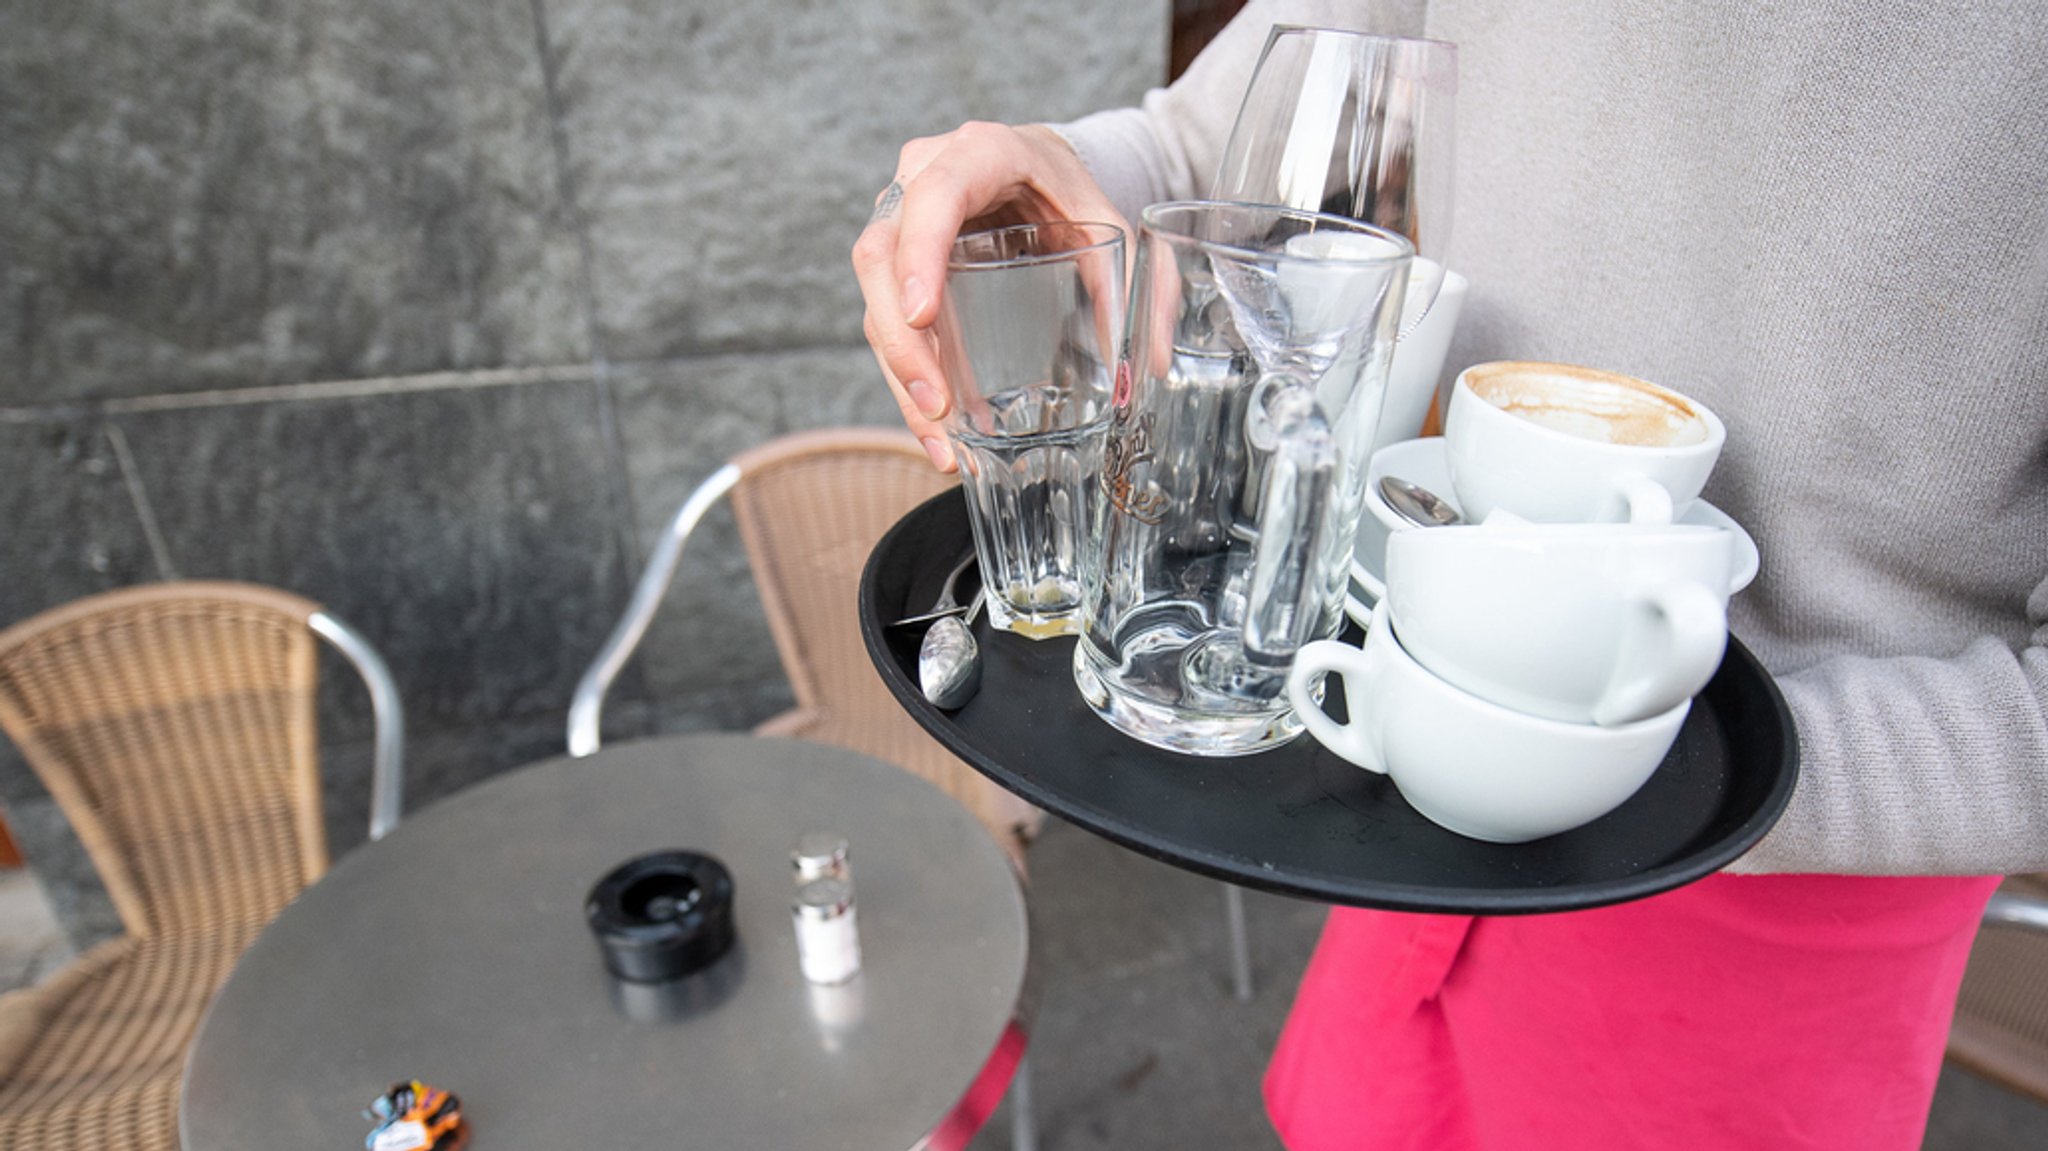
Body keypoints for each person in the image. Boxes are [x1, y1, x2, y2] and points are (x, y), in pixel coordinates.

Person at [852, 2, 2048, 1147]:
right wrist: (1034, 166)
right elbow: (1205, 152)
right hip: (1399, 734)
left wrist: (1611, 747)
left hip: (1780, 874)